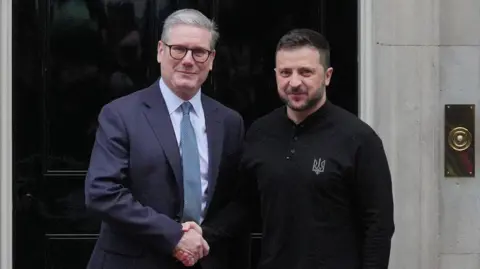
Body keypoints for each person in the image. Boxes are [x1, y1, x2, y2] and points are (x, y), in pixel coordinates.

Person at [193, 28, 395, 269]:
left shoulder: (359, 139)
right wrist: (203, 234)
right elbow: (244, 206)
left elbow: (378, 226)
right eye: (286, 72)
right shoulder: (260, 133)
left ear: (327, 76)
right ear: (276, 75)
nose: (295, 82)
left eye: (306, 72)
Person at [84, 8, 249, 269]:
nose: (188, 60)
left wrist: (203, 238)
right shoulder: (121, 114)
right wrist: (174, 237)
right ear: (161, 50)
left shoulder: (229, 122)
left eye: (199, 52)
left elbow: (238, 201)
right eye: (178, 49)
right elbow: (102, 193)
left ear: (212, 59)